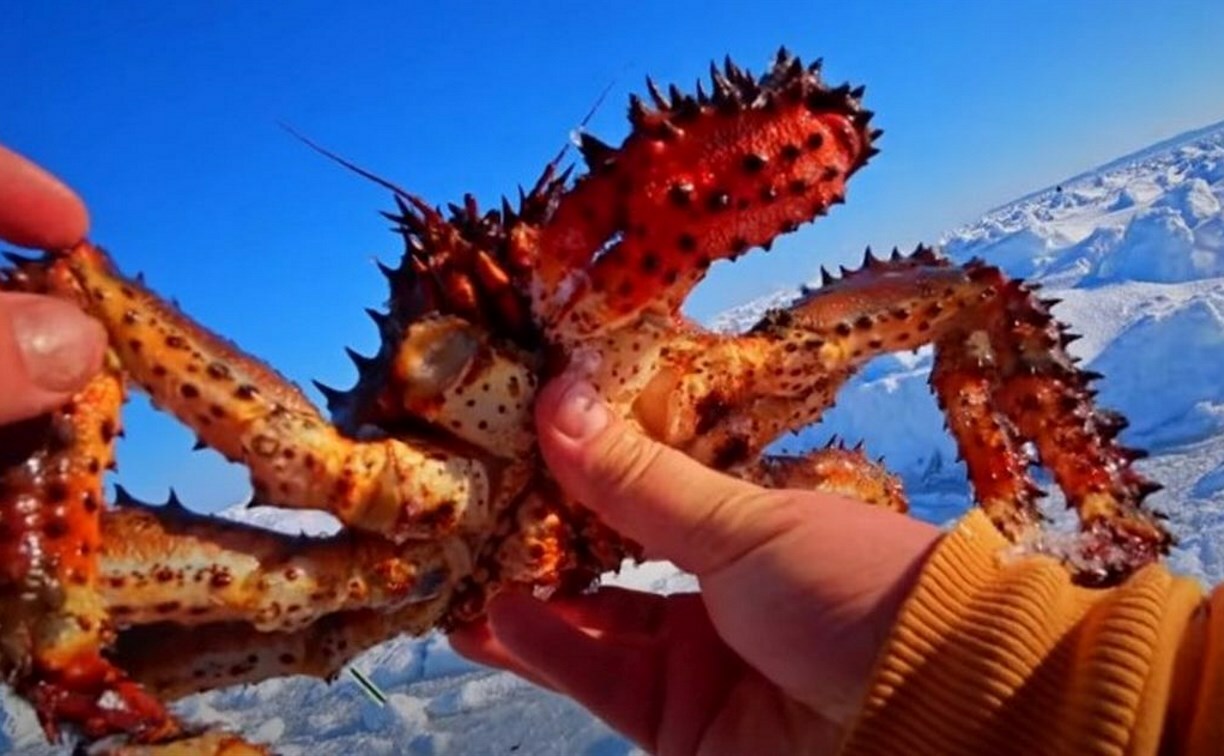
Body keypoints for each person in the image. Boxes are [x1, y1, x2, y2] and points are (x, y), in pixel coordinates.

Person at [2, 145, 1221, 755]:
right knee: (70, 339)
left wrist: (1028, 553)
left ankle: (1104, 525)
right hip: (377, 573)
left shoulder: (715, 371)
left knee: (962, 309)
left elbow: (962, 296)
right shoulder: (370, 476)